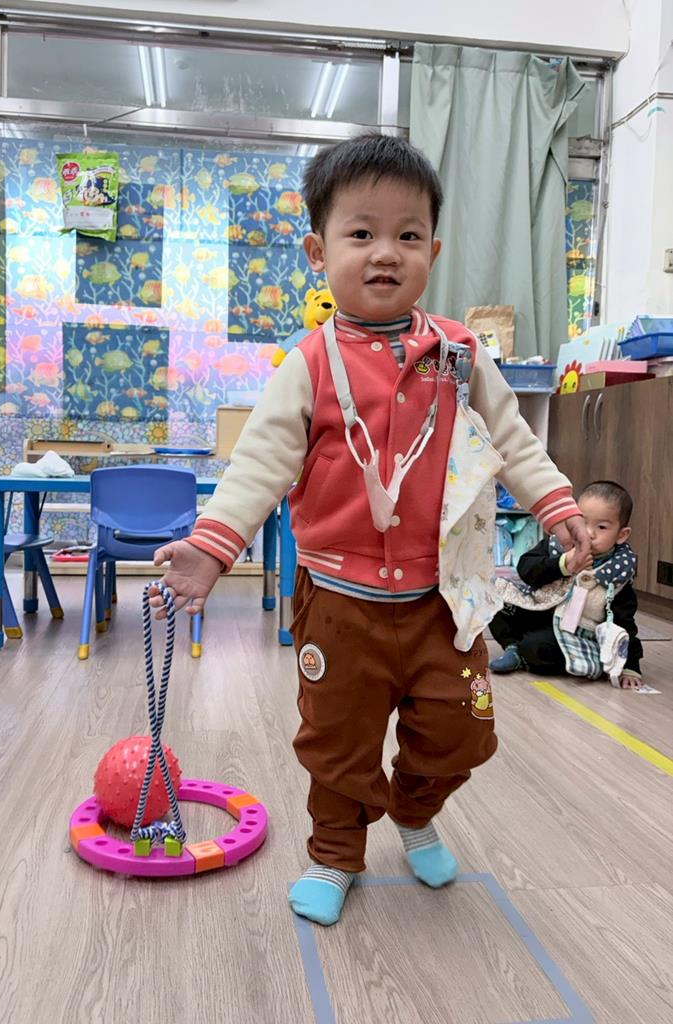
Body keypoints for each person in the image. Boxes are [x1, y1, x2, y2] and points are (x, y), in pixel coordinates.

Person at [150, 134, 591, 926]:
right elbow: (258, 466)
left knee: (462, 731)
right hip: (338, 603)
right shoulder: (309, 363)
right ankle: (334, 852)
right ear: (319, 251)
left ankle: (415, 810)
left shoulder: (459, 355)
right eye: (361, 233)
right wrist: (212, 548)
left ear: (433, 251)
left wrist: (558, 506)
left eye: (407, 234)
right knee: (337, 744)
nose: (385, 252)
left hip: (443, 601)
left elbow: (514, 441)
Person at [489, 480, 643, 688]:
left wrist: (630, 666)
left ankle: (526, 653)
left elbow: (625, 624)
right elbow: (526, 569)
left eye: (601, 527)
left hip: (576, 634)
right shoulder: (558, 545)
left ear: (621, 535)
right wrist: (562, 565)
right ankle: (512, 646)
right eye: (582, 522)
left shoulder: (618, 573)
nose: (588, 533)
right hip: (539, 612)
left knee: (538, 647)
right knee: (495, 601)